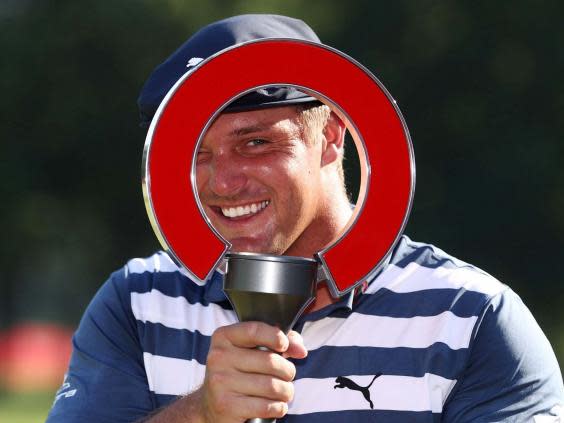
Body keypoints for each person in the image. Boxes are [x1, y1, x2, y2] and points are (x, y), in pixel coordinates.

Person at [46, 14, 563, 423]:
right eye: (195, 152)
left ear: (333, 135)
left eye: (256, 143)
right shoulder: (138, 304)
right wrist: (199, 414)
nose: (221, 183)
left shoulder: (469, 319)